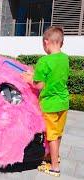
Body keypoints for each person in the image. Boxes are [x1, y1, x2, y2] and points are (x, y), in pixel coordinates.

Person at [22, 26, 69, 177]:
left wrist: (30, 79)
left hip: (50, 105)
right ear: (61, 43)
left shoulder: (44, 61)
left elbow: (40, 85)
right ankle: (52, 157)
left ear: (46, 42)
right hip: (63, 102)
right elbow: (53, 77)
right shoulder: (65, 59)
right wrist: (35, 74)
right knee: (58, 134)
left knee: (52, 136)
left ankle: (54, 167)